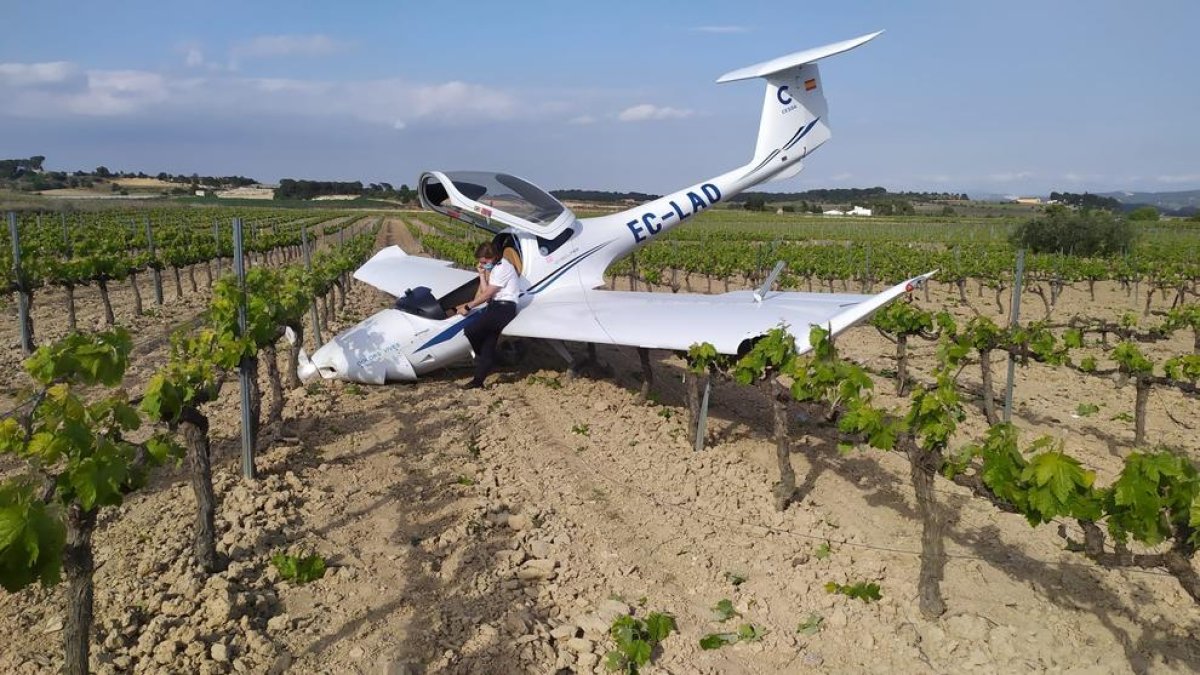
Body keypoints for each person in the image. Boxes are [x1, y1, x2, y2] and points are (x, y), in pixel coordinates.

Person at [458, 242, 520, 389]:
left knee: (471, 330)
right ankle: (478, 380)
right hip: (496, 306)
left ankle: (486, 359)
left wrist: (468, 307)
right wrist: (481, 274)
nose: (482, 264)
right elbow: (486, 290)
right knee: (488, 343)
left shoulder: (503, 268)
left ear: (493, 257)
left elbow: (486, 295)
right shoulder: (496, 268)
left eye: (484, 262)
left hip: (504, 308)